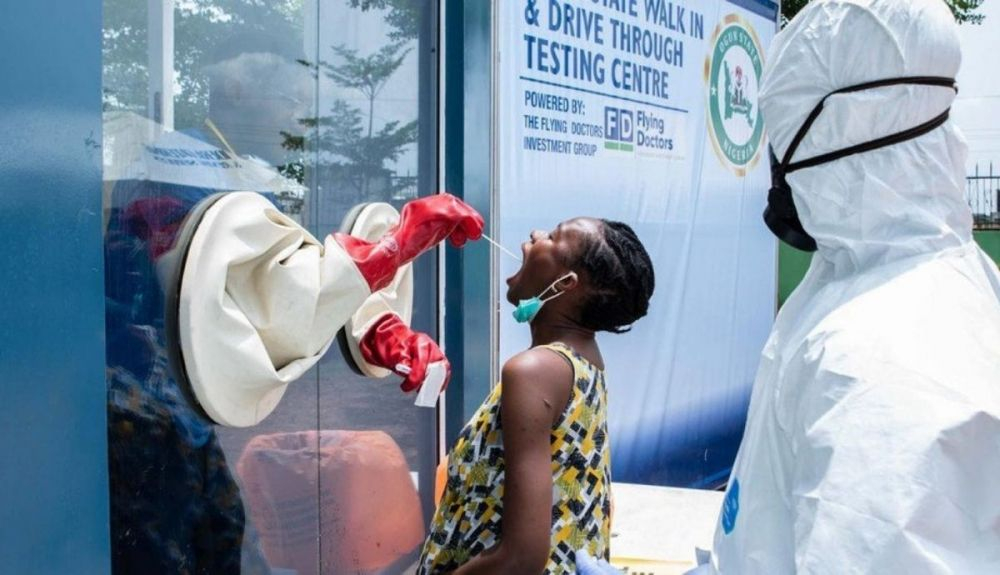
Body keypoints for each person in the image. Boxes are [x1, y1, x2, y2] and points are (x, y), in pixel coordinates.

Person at [696, 0, 1000, 573]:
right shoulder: (890, 279)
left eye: (780, 135)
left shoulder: (886, 365)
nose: (774, 162)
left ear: (833, 133)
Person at [417, 218, 656, 574]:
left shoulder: (534, 371)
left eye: (553, 237)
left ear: (566, 284)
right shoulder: (584, 363)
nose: (534, 235)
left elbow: (522, 557)